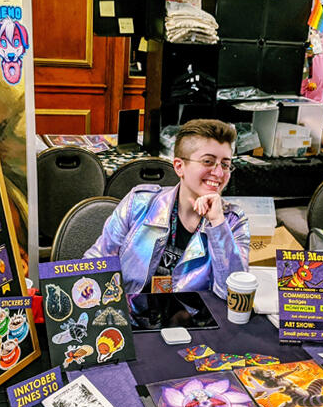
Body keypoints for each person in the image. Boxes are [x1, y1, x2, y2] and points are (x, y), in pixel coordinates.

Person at [84, 119, 250, 299]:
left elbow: (234, 295)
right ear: (179, 166)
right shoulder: (139, 202)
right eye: (208, 161)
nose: (219, 174)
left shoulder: (232, 221)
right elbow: (97, 260)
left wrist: (218, 223)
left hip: (193, 324)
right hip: (131, 317)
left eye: (225, 164)